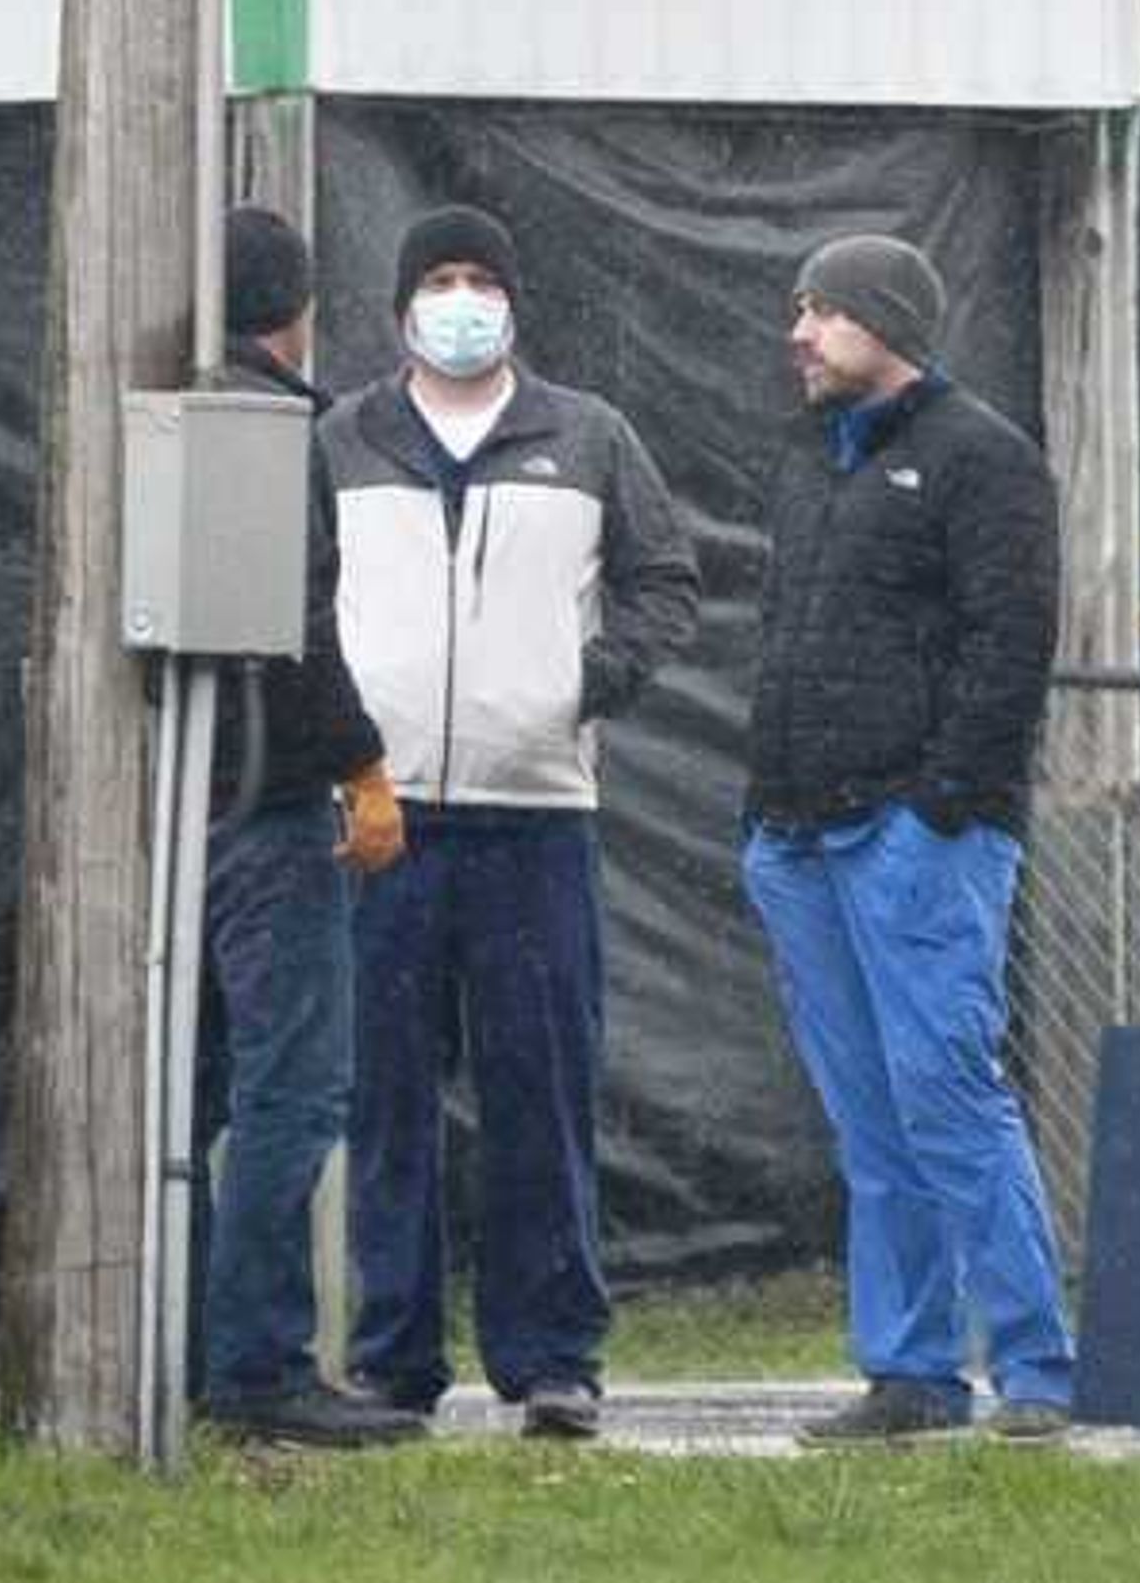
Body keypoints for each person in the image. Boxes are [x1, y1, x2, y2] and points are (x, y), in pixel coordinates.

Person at [323, 203, 699, 1441]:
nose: (464, 299)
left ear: (517, 304)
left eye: (484, 277)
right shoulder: (346, 442)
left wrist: (586, 688)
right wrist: (344, 745)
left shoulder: (587, 436)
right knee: (387, 1100)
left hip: (537, 816)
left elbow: (665, 581)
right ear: (399, 309)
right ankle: (393, 1358)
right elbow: (299, 599)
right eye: (441, 278)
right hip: (382, 821)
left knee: (541, 1092)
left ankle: (553, 1361)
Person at [743, 232, 1077, 1445]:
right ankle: (913, 1372)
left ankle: (1036, 1366)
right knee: (870, 1117)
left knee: (946, 1094)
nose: (801, 332)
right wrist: (760, 810)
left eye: (826, 310)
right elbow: (783, 630)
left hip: (913, 837)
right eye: (800, 308)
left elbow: (1009, 650)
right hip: (798, 836)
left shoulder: (983, 460)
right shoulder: (806, 460)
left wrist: (941, 808)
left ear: (890, 324)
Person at [196, 206, 420, 1447]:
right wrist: (365, 766)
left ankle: (178, 1349)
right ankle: (261, 1364)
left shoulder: (167, 410)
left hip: (181, 804)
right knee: (293, 1091)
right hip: (271, 806)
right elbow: (298, 627)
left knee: (189, 1103)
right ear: (297, 309)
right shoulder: (278, 431)